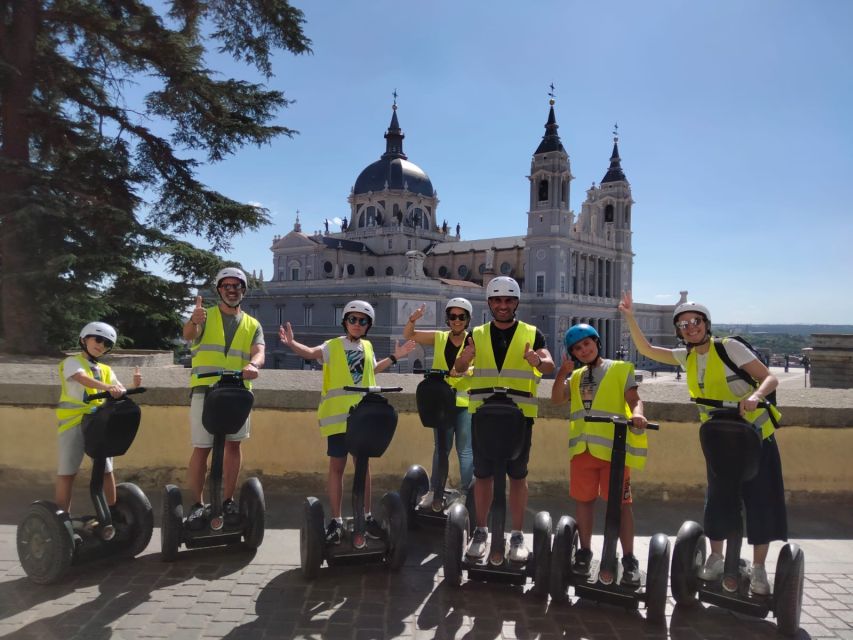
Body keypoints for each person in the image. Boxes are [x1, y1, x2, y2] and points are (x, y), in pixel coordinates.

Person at [619, 291, 786, 596]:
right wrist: (629, 316)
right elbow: (647, 349)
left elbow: (769, 378)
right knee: (719, 501)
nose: (690, 327)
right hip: (721, 441)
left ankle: (759, 568)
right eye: (683, 325)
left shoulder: (729, 348)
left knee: (760, 502)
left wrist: (754, 397)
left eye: (695, 322)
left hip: (755, 439)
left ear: (706, 324)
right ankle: (717, 557)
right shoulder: (687, 357)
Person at [279, 300, 416, 549]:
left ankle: (365, 516)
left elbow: (373, 370)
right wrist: (291, 344)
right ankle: (337, 520)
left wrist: (397, 356)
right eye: (352, 319)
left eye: (362, 321)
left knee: (363, 467)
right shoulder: (333, 345)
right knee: (337, 467)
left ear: (368, 326)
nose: (356, 324)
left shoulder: (367, 345)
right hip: (338, 417)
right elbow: (311, 353)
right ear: (345, 322)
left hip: (363, 416)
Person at [453, 276, 555, 563]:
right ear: (489, 303)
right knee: (482, 475)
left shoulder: (532, 334)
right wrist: (466, 356)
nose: (502, 305)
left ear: (516, 303)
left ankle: (518, 534)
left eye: (508, 300)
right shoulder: (477, 333)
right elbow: (459, 368)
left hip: (519, 416)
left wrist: (536, 360)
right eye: (497, 300)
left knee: (517, 475)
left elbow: (549, 363)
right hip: (484, 413)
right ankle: (482, 531)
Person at [550, 324, 648, 587]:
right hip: (582, 450)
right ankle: (584, 550)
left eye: (587, 344)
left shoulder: (618, 369)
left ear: (596, 342)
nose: (584, 350)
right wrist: (562, 374)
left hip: (613, 451)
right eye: (577, 348)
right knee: (584, 502)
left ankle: (628, 557)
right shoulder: (577, 375)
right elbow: (557, 399)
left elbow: (633, 399)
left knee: (622, 506)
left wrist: (638, 413)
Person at [183, 267, 265, 530]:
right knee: (202, 448)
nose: (232, 290)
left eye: (237, 286)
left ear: (243, 290)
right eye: (226, 286)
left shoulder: (253, 324)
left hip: (238, 393)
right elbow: (189, 336)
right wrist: (194, 321)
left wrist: (254, 365)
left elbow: (259, 351)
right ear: (219, 289)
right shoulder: (204, 317)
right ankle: (197, 504)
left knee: (233, 446)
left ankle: (228, 500)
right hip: (205, 390)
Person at [55, 322, 142, 513]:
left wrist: (131, 386)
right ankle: (61, 520)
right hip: (74, 421)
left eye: (106, 344)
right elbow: (81, 378)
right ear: (84, 339)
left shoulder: (106, 370)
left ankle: (113, 514)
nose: (101, 345)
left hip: (99, 422)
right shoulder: (72, 362)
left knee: (106, 469)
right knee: (67, 472)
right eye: (98, 339)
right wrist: (108, 388)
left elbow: (118, 390)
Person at [403, 298, 475, 508]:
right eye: (452, 316)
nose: (457, 321)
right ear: (448, 319)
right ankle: (436, 490)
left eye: (461, 317)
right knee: (441, 448)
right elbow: (409, 335)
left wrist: (466, 370)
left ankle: (464, 492)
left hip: (464, 401)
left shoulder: (474, 341)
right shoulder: (440, 337)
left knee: (465, 449)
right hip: (442, 400)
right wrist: (412, 319)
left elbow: (481, 368)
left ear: (467, 319)